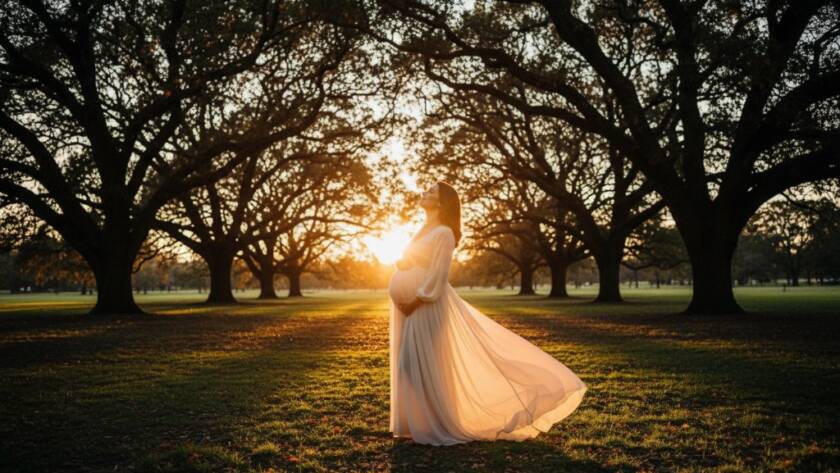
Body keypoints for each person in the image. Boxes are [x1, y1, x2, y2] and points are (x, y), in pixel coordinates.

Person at [388, 181, 587, 446]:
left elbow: (439, 273)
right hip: (409, 305)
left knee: (418, 364)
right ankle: (416, 425)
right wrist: (404, 265)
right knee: (410, 365)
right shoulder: (424, 231)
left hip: (425, 304)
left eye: (431, 191)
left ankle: (433, 426)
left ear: (442, 202)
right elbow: (417, 261)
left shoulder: (444, 233)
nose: (423, 193)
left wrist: (418, 299)